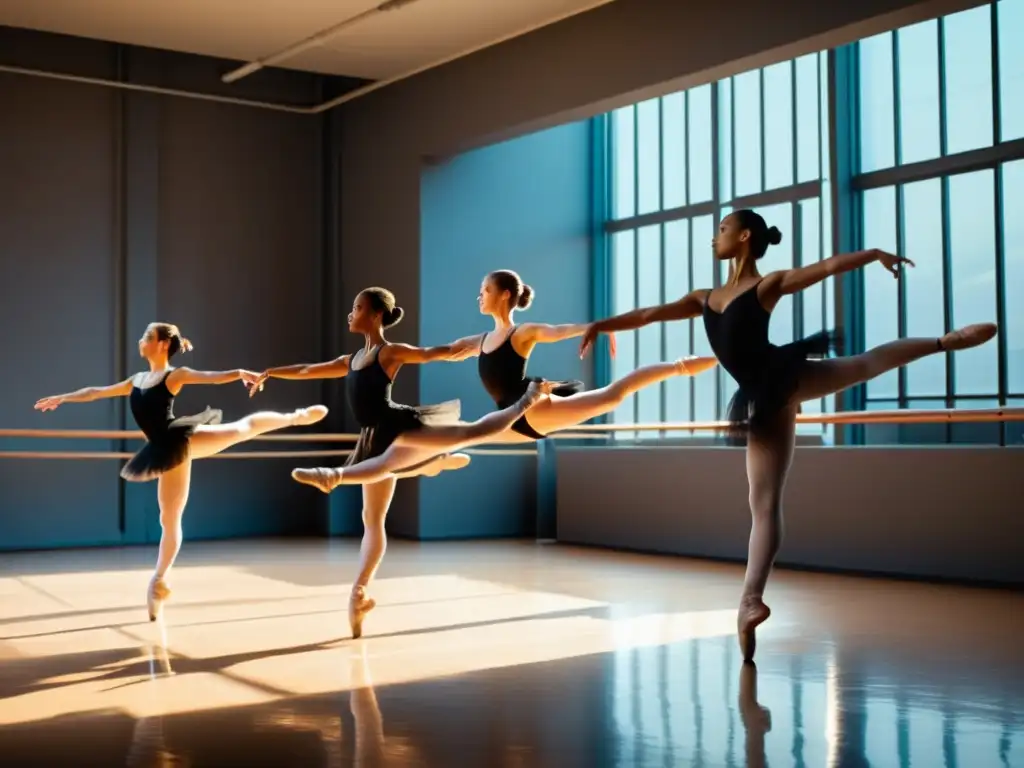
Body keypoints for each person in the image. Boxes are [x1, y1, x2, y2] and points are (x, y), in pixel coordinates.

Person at [579, 209, 998, 661]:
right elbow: (648, 314)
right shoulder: (702, 298)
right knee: (762, 503)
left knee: (861, 365)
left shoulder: (766, 285)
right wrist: (602, 325)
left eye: (721, 230)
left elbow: (823, 268)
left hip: (783, 375)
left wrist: (872, 254)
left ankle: (942, 342)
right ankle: (748, 603)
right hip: (760, 399)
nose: (714, 237)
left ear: (743, 237)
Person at [248, 287, 556, 637]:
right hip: (371, 438)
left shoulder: (388, 353)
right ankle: (360, 591)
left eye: (358, 307)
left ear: (377, 315)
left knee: (433, 446)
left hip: (396, 427)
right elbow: (306, 369)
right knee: (372, 517)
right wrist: (269, 372)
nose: (351, 313)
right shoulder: (349, 361)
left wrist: (470, 349)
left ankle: (411, 464)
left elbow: (429, 353)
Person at [34, 322, 327, 621]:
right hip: (163, 450)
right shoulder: (136, 380)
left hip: (181, 437)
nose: (141, 340)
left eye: (147, 336)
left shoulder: (175, 375)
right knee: (168, 518)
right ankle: (159, 581)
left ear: (162, 344)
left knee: (242, 428)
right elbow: (96, 392)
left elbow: (210, 378)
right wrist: (64, 397)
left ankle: (295, 417)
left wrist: (239, 373)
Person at [430, 269, 718, 443]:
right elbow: (443, 351)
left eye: (486, 290)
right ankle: (423, 462)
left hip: (530, 411)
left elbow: (558, 330)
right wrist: (397, 354)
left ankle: (681, 366)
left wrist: (597, 327)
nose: (480, 296)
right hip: (507, 419)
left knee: (613, 395)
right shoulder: (479, 341)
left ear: (505, 295)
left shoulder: (521, 333)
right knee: (458, 437)